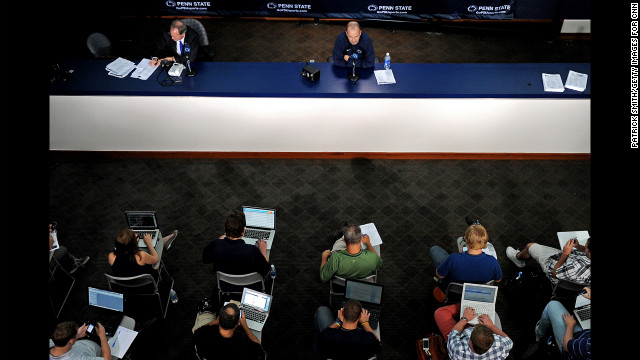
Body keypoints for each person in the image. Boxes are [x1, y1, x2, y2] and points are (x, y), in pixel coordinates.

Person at [429, 219, 502, 291]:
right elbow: (498, 280)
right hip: (480, 295)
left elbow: (439, 275)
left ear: (466, 240)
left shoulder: (454, 259)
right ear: (485, 242)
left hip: (454, 294)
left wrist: (460, 255)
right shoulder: (493, 262)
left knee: (434, 249)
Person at [202, 209, 271, 279]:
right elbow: (266, 272)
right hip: (248, 287)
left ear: (226, 230)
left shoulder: (215, 244)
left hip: (224, 286)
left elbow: (205, 259)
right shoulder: (253, 251)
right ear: (243, 231)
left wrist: (219, 241)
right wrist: (263, 251)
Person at [505, 237, 591, 286]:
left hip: (555, 269)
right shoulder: (587, 258)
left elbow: (555, 273)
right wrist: (578, 246)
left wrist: (565, 253)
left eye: (586, 246)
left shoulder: (577, 268)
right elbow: (585, 251)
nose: (585, 246)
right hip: (570, 261)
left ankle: (517, 259)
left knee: (530, 246)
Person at [192, 302, 264, 360]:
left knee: (205, 317)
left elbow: (196, 333)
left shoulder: (203, 333)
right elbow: (258, 347)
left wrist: (214, 322)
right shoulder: (245, 345)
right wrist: (245, 325)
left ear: (219, 318)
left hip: (206, 355)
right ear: (237, 324)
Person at [314, 299, 381, 360]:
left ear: (342, 313)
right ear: (360, 316)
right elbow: (378, 346)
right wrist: (365, 323)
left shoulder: (328, 336)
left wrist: (338, 322)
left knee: (322, 310)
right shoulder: (368, 339)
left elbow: (323, 335)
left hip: (332, 353)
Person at [534, 287, 591, 359]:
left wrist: (570, 325)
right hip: (586, 334)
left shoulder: (588, 345)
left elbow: (567, 346)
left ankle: (539, 334)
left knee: (552, 305)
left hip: (571, 344)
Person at [107, 228, 178, 281]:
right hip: (144, 285)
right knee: (152, 250)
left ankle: (162, 242)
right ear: (134, 243)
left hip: (124, 287)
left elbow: (123, 253)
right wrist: (149, 243)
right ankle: (162, 243)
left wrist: (132, 242)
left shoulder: (111, 256)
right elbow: (155, 259)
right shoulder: (141, 256)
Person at [446, 306, 513, 360]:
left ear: (470, 342)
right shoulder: (501, 346)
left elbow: (453, 334)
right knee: (494, 314)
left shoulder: (457, 349)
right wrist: (491, 325)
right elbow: (509, 341)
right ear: (493, 340)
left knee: (440, 312)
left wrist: (465, 318)